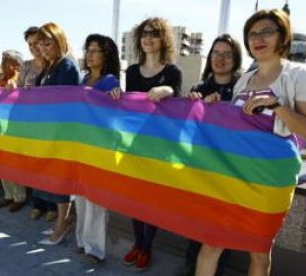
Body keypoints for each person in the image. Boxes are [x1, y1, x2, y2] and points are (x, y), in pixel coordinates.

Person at [195, 9, 306, 276]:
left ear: (282, 37)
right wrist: (216, 108)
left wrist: (276, 105)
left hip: (270, 179)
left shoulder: (301, 75)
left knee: (259, 253)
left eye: (266, 32)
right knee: (211, 244)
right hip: (234, 175)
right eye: (252, 34)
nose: (258, 38)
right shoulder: (244, 79)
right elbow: (238, 126)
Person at [120, 17, 182, 271]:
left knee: (152, 200)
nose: (148, 38)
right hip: (135, 144)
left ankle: (146, 247)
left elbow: (179, 100)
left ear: (163, 39)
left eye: (154, 34)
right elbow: (129, 105)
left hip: (160, 147)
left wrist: (168, 90)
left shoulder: (172, 72)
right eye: (144, 34)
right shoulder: (133, 71)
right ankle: (137, 243)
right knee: (135, 198)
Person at [183, 33, 242, 276]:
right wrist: (190, 104)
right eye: (216, 53)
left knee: (219, 236)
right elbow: (186, 129)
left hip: (228, 173)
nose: (220, 59)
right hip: (200, 170)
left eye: (227, 54)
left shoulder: (242, 89)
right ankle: (190, 269)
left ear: (236, 59)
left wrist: (224, 108)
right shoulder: (199, 87)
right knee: (195, 231)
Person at [74, 33, 121, 264]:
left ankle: (95, 249)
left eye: (95, 50)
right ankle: (82, 241)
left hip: (100, 148)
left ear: (106, 55)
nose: (89, 55)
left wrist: (115, 99)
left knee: (97, 201)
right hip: (81, 147)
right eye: (88, 50)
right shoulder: (83, 80)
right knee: (81, 197)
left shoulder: (111, 81)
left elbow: (113, 115)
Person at [35, 22, 81, 245]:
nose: (43, 48)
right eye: (39, 44)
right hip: (47, 133)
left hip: (61, 135)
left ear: (59, 41)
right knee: (54, 180)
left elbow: (65, 102)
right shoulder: (49, 66)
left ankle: (63, 225)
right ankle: (60, 222)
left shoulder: (66, 65)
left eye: (47, 43)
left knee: (62, 181)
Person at [18, 26, 56, 221]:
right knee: (34, 167)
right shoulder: (25, 66)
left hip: (49, 128)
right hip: (30, 126)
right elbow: (16, 95)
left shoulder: (53, 65)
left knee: (49, 167)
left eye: (37, 43)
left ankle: (52, 206)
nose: (34, 47)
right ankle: (37, 203)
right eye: (30, 44)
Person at [0, 50, 27, 212]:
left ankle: (19, 197)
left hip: (15, 131)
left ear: (16, 65)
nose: (2, 64)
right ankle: (8, 195)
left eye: (5, 61)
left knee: (15, 164)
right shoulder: (1, 81)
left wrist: (16, 90)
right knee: (2, 163)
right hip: (0, 129)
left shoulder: (20, 82)